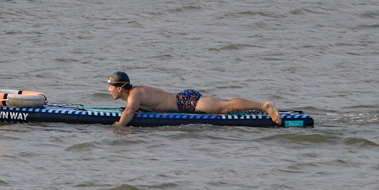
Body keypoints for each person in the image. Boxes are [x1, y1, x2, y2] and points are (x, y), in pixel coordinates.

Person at [105, 71, 282, 126]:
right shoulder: (134, 92)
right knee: (224, 106)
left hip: (185, 103)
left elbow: (129, 111)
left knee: (225, 107)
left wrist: (118, 126)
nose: (109, 89)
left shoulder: (134, 95)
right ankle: (263, 106)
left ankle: (265, 106)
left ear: (120, 88)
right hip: (183, 100)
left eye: (111, 86)